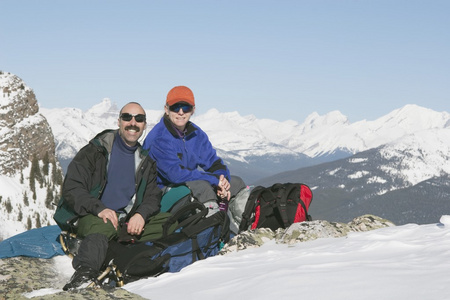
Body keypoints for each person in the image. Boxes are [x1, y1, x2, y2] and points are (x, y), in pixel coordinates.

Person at [56, 102, 173, 290]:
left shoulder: (145, 161)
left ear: (144, 125)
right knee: (103, 230)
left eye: (139, 119)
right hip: (92, 214)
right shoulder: (96, 151)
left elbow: (153, 196)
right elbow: (72, 188)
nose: (133, 123)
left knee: (167, 222)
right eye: (127, 117)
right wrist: (99, 209)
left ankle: (127, 255)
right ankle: (84, 274)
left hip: (125, 219)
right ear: (119, 121)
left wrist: (141, 215)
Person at [142, 86, 247, 228]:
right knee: (203, 188)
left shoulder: (196, 134)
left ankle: (248, 230)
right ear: (166, 109)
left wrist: (222, 181)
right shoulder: (159, 138)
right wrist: (213, 180)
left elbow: (214, 162)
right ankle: (213, 235)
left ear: (193, 110)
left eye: (185, 107)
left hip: (187, 186)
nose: (180, 112)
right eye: (175, 107)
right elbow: (175, 175)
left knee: (236, 182)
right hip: (160, 193)